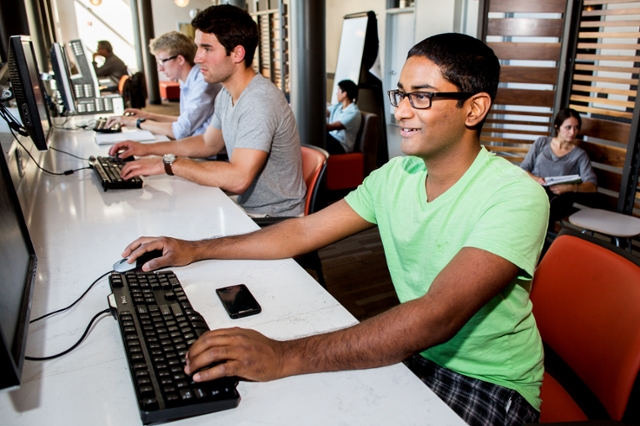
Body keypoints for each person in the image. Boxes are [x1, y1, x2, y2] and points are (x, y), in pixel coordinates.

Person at [120, 33, 549, 426]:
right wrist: (197, 248)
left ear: (474, 108)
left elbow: (436, 316)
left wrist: (284, 355)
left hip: (491, 384)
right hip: (418, 352)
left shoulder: (515, 196)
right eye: (401, 94)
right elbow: (302, 233)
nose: (400, 110)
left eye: (421, 97)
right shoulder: (396, 175)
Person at [108, 5, 305, 218]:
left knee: (169, 222)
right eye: (197, 48)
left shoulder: (259, 101)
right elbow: (207, 143)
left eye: (207, 49)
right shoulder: (226, 94)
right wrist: (147, 149)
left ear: (237, 53)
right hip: (249, 208)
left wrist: (169, 163)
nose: (198, 57)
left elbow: (238, 179)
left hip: (274, 219)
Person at [106, 31, 221, 140]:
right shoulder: (188, 80)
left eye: (162, 62)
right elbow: (183, 121)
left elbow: (180, 130)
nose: (159, 68)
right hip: (196, 146)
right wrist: (147, 116)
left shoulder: (203, 82)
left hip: (208, 155)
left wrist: (135, 122)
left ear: (180, 59)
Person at [520, 107, 597, 229]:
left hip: (557, 200)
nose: (572, 132)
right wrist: (537, 179)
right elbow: (523, 169)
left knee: (537, 210)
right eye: (568, 127)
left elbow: (592, 186)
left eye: (576, 128)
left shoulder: (579, 155)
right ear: (557, 126)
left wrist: (570, 187)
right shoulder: (541, 143)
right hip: (533, 191)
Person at [326, 79, 362, 154]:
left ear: (344, 93)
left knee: (322, 135)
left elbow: (329, 127)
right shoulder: (338, 106)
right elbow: (324, 112)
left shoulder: (353, 113)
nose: (336, 93)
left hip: (341, 146)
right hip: (331, 140)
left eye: (338, 90)